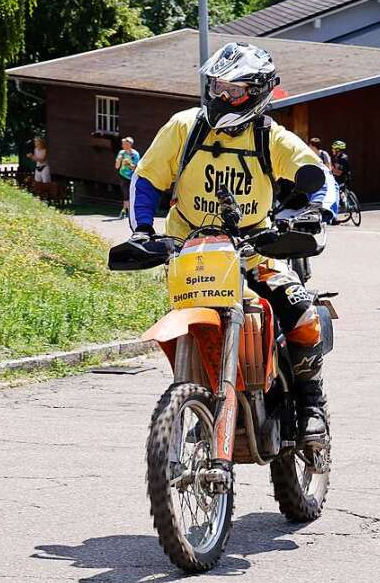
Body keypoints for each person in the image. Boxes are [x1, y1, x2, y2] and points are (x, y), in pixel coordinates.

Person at [129, 41, 336, 446]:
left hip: (253, 252)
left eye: (234, 90)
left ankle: (311, 404)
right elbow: (147, 178)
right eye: (217, 86)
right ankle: (198, 400)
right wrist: (141, 230)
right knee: (189, 321)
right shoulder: (183, 128)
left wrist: (316, 211)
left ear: (258, 93)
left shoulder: (270, 138)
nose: (222, 97)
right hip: (191, 252)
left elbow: (318, 175)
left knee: (300, 310)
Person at [114, 136, 139, 219]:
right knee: (125, 193)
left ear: (129, 144)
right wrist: (118, 160)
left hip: (132, 177)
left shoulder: (135, 154)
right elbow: (117, 167)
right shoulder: (121, 153)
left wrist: (128, 163)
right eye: (123, 144)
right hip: (123, 175)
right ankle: (125, 211)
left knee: (131, 193)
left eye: (124, 144)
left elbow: (135, 168)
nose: (122, 145)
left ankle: (129, 211)